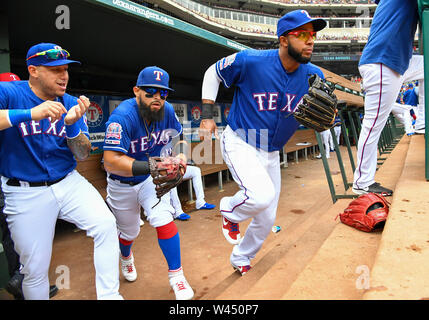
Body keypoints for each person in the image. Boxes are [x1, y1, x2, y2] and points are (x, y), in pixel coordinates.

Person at [199, 10, 326, 275]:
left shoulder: (314, 76)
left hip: (271, 150)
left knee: (267, 218)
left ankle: (241, 256)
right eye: (302, 34)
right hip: (241, 140)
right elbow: (213, 72)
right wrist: (208, 116)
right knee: (260, 196)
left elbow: (322, 113)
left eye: (312, 34)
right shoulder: (251, 61)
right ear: (283, 40)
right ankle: (229, 210)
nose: (310, 40)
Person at [0, 43, 122, 300]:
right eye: (55, 69)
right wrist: (29, 114)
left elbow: (82, 153)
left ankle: (109, 296)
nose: (64, 76)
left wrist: (71, 126)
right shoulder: (10, 92)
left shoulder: (70, 102)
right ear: (33, 70)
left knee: (106, 225)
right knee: (34, 270)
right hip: (24, 192)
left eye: (65, 69)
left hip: (68, 182)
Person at [102, 66, 194, 300]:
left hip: (147, 181)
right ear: (136, 91)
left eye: (163, 93)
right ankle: (126, 258)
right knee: (130, 230)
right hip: (121, 183)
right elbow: (111, 161)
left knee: (164, 218)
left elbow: (179, 139)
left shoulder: (167, 110)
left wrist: (181, 158)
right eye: (151, 91)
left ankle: (177, 276)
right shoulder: (123, 116)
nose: (157, 98)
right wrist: (154, 166)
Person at [352, 0, 424, 196]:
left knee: (426, 67)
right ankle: (362, 181)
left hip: (395, 61)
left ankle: (421, 122)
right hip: (382, 63)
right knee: (373, 125)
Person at [0, 72, 59, 300]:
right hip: (10, 182)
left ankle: (24, 280)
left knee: (15, 234)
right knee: (15, 234)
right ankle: (21, 280)